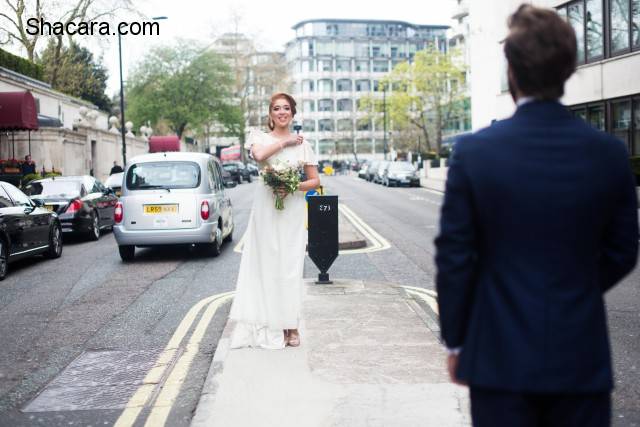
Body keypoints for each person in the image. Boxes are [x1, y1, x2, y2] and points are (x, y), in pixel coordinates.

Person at [434, 5, 638, 427]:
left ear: (511, 70)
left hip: (498, 360)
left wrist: (456, 342)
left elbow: (455, 259)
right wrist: (576, 286)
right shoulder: (609, 153)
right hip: (579, 360)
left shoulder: (475, 153)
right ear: (568, 69)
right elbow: (622, 250)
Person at [229, 93, 320, 349]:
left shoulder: (304, 144)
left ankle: (291, 325)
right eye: (277, 108)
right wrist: (286, 141)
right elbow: (258, 156)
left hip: (291, 211)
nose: (282, 112)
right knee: (267, 265)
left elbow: (315, 181)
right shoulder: (259, 137)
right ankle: (272, 323)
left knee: (290, 267)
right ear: (271, 114)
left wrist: (293, 186)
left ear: (293, 113)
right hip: (266, 211)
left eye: (287, 108)